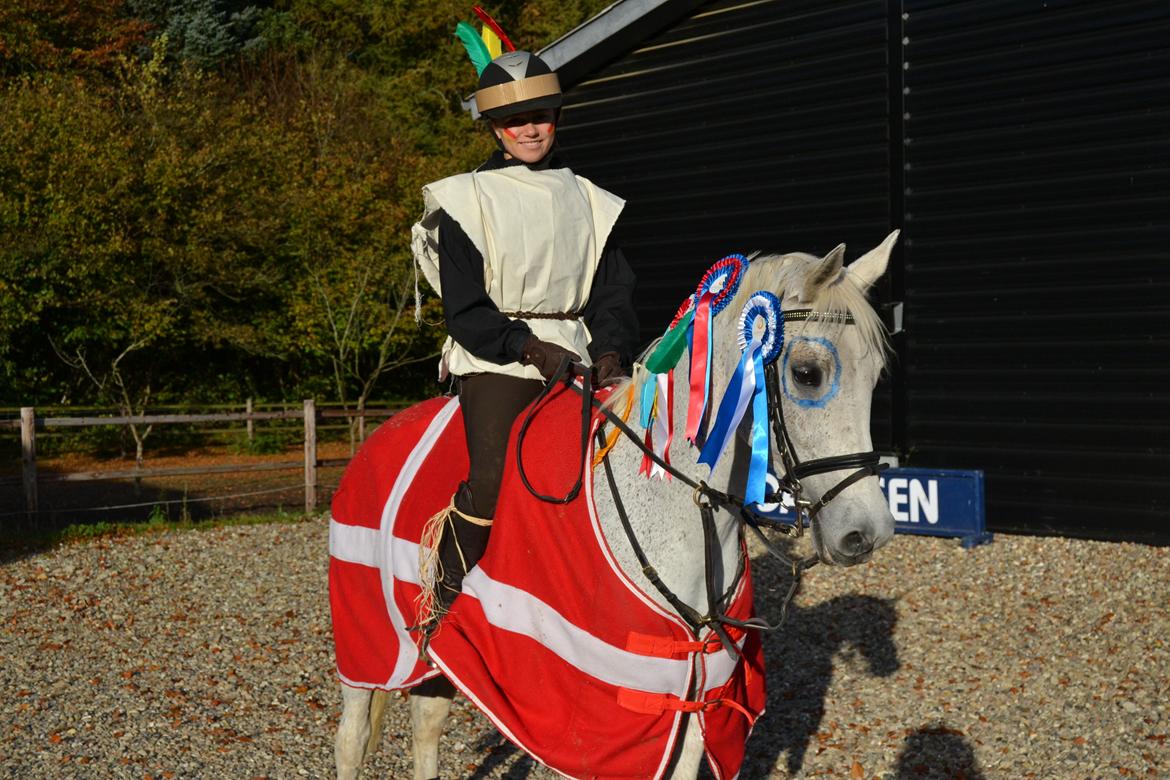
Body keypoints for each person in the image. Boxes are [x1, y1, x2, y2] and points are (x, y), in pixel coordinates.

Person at [411, 49, 639, 619]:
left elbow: (613, 290)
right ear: (494, 126)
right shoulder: (465, 198)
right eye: (516, 120)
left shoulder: (590, 198)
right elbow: (464, 309)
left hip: (582, 351)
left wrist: (611, 349)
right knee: (489, 484)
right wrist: (529, 348)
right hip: (500, 358)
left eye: (541, 115)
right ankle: (439, 613)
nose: (530, 129)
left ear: (556, 117)